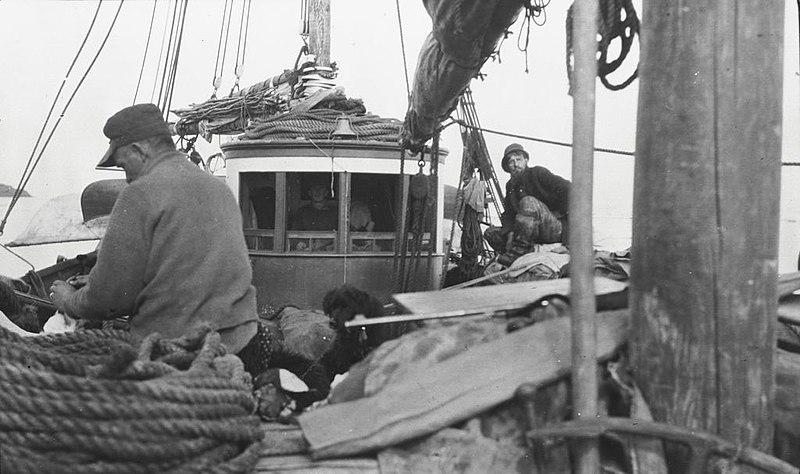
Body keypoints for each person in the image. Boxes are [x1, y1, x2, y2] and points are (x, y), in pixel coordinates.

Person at [49, 103, 259, 362]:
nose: (126, 178)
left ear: (138, 150)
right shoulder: (219, 189)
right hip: (239, 339)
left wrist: (69, 300)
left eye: (124, 165)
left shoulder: (138, 194)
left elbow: (110, 299)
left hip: (178, 351)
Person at [484, 143, 571, 267]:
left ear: (526, 160)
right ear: (507, 167)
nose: (515, 164)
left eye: (518, 159)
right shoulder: (510, 186)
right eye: (511, 162)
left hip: (553, 228)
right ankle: (523, 250)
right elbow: (508, 214)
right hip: (530, 232)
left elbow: (570, 190)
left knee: (527, 201)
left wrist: (560, 214)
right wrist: (509, 233)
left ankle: (518, 252)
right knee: (490, 233)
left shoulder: (538, 173)